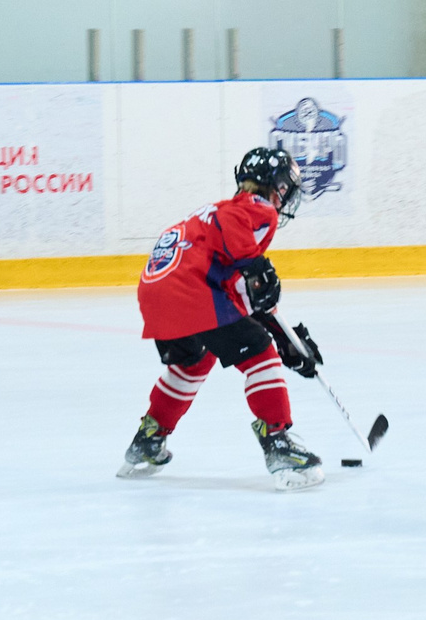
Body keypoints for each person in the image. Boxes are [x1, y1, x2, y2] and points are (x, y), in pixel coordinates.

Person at [119, 146, 325, 490]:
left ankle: (148, 439)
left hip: (155, 292)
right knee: (260, 354)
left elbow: (234, 287)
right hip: (190, 291)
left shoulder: (215, 210)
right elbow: (242, 275)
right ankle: (278, 443)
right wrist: (256, 271)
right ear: (277, 187)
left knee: (194, 361)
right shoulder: (258, 209)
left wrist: (281, 331)